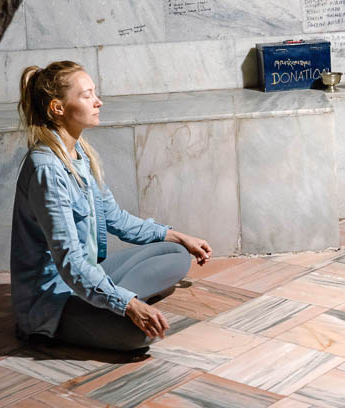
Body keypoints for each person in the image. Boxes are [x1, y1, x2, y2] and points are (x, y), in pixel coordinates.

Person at [11, 62, 212, 351]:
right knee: (139, 336)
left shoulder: (79, 153)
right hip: (54, 299)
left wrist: (180, 236)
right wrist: (128, 305)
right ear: (58, 108)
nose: (98, 102)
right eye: (87, 95)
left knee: (177, 253)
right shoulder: (47, 169)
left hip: (87, 274)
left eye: (95, 93)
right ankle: (113, 303)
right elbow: (70, 263)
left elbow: (116, 220)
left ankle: (111, 299)